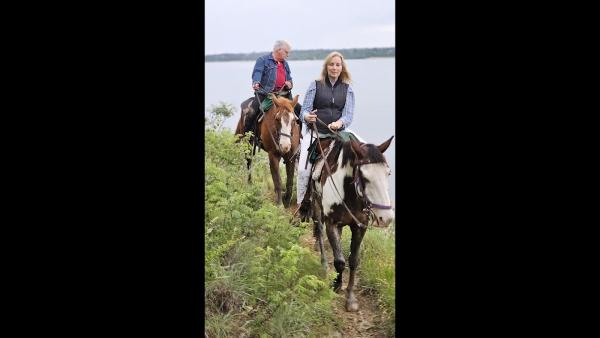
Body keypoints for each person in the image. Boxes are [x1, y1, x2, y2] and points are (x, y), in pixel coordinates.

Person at [296, 51, 365, 218]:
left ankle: (365, 203)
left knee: (367, 153)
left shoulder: (348, 89)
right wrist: (307, 116)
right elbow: (304, 110)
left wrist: (339, 123)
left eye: (338, 65)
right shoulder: (316, 84)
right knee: (303, 171)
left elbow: (348, 115)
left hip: (339, 132)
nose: (334, 68)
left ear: (342, 68)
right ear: (326, 67)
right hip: (316, 132)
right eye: (331, 64)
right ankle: (301, 207)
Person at [243, 40, 300, 136]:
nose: (288, 55)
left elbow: (289, 79)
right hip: (265, 94)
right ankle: (247, 138)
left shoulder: (285, 64)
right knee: (251, 113)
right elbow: (257, 73)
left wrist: (290, 84)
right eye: (286, 52)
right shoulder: (262, 60)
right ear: (279, 50)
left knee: (300, 112)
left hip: (284, 95)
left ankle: (297, 138)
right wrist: (256, 82)